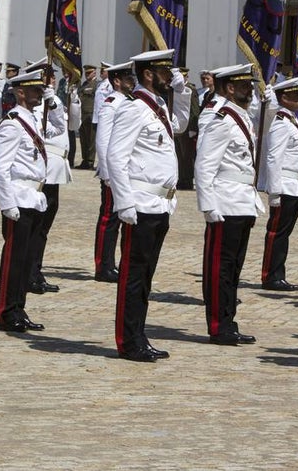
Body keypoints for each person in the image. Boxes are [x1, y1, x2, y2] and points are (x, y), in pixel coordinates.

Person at [106, 49, 191, 362]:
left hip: (160, 204)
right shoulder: (133, 108)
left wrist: (182, 93)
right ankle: (128, 341)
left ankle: (139, 334)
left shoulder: (158, 106)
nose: (170, 75)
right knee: (134, 275)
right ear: (148, 74)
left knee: (146, 276)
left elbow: (180, 125)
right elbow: (116, 156)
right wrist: (124, 203)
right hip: (140, 204)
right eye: (164, 70)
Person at [197, 64, 272, 345]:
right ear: (229, 88)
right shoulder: (221, 120)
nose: (249, 90)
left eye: (250, 86)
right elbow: (204, 166)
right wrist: (208, 206)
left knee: (234, 268)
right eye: (244, 86)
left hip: (242, 202)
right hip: (225, 203)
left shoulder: (241, 117)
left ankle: (229, 321)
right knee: (221, 268)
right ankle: (218, 325)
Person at [0, 68, 50, 333]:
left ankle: (19, 307)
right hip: (19, 198)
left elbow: (59, 125)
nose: (40, 93)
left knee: (26, 259)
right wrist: (7, 204)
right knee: (14, 259)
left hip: (34, 197)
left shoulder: (32, 120)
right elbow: (0, 168)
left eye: (40, 89)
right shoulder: (12, 124)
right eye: (35, 90)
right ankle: (7, 310)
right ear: (19, 92)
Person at [259, 77, 298, 292]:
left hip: (296, 185)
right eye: (296, 96)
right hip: (286, 186)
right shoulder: (281, 123)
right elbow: (273, 158)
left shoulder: (291, 120)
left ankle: (278, 272)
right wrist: (275, 191)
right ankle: (271, 275)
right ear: (285, 98)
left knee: (284, 234)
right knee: (277, 233)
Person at [93, 60, 134, 282]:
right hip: (112, 173)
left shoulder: (130, 102)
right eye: (129, 79)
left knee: (121, 219)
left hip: (126, 171)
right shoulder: (111, 103)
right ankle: (103, 265)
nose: (133, 83)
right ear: (117, 81)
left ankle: (114, 263)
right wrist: (107, 174)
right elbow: (103, 140)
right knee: (109, 219)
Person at [30, 65, 69, 295]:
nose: (51, 80)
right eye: (46, 77)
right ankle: (29, 273)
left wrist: (55, 102)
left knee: (43, 228)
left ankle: (35, 270)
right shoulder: (32, 108)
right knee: (35, 226)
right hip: (41, 171)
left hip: (54, 171)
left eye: (53, 76)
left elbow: (63, 127)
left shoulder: (51, 102)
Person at [77, 64, 98, 169]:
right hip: (82, 114)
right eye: (86, 73)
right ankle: (84, 160)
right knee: (83, 139)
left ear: (94, 73)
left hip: (91, 114)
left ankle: (90, 161)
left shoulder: (96, 85)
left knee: (91, 139)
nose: (87, 75)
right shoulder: (84, 84)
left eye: (89, 73)